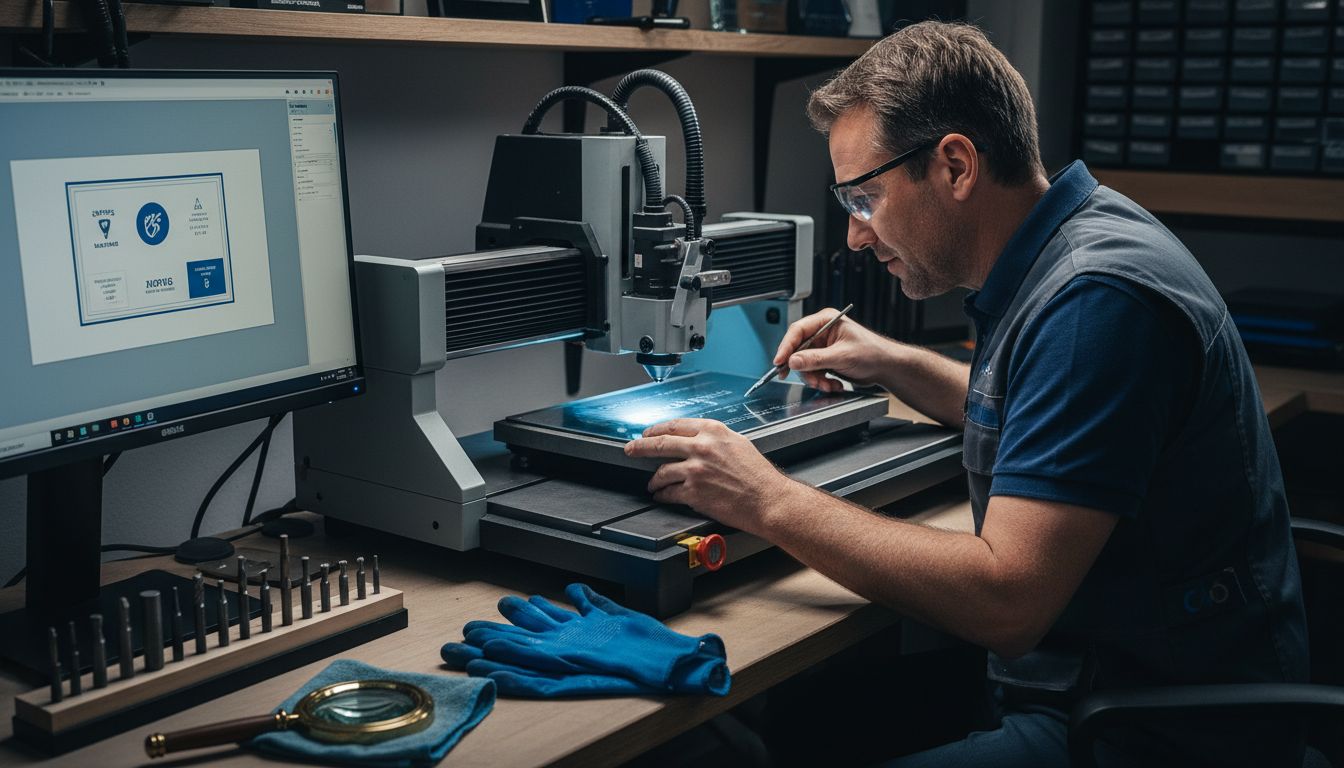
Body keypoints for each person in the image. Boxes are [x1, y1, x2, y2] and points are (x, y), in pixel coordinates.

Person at [624, 20, 1308, 767]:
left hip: (1146, 728)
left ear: (954, 165)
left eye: (865, 198)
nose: (855, 236)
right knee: (795, 721)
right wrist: (893, 362)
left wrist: (766, 498)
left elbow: (1005, 599)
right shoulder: (1080, 238)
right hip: (1087, 673)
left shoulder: (1094, 302)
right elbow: (1043, 411)